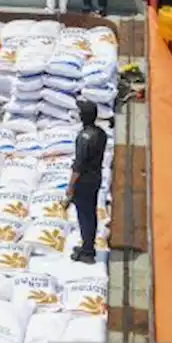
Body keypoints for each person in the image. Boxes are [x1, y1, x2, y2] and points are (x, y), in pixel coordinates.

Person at [64, 101, 108, 264]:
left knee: (84, 216)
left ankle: (88, 251)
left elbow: (78, 166)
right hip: (96, 178)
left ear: (83, 117)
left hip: (84, 181)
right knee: (91, 213)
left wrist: (70, 186)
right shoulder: (101, 133)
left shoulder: (83, 138)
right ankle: (87, 245)